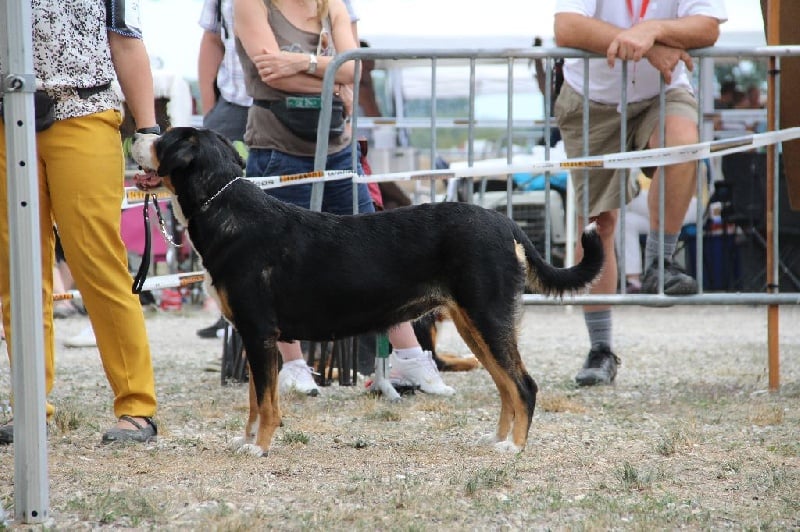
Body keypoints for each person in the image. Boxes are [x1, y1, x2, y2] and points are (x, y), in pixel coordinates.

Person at [232, 0, 454, 396]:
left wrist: (305, 66)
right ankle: (293, 364)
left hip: (339, 148)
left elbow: (354, 67)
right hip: (278, 146)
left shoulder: (332, 3)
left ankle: (410, 359)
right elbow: (270, 73)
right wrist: (333, 80)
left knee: (376, 254)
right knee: (275, 263)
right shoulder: (250, 3)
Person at [0, 0, 161, 444]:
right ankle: (31, 406)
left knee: (97, 264)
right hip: (5, 117)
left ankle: (137, 406)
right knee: (18, 271)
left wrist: (148, 132)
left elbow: (126, 42)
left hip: (84, 110)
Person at [553, 0, 727, 386]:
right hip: (591, 101)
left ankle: (660, 264)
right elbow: (566, 27)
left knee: (683, 144)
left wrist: (651, 31)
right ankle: (600, 349)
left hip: (664, 90)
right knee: (598, 225)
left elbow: (708, 26)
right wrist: (647, 45)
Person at [195, 0, 254, 340]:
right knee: (209, 210)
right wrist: (210, 108)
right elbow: (212, 39)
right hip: (232, 103)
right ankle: (223, 306)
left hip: (278, 107)